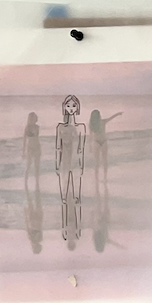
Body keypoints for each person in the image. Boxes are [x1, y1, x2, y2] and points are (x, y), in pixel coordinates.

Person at [55, 94, 86, 248]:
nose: (71, 108)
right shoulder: (60, 127)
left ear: (77, 108)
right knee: (64, 199)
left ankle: (78, 230)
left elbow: (81, 149)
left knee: (77, 198)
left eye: (73, 106)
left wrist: (82, 166)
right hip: (64, 165)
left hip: (75, 165)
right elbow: (58, 148)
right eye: (68, 106)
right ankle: (64, 230)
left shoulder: (81, 127)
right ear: (65, 108)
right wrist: (57, 164)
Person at [22, 112, 41, 191]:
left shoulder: (37, 127)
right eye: (32, 118)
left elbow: (37, 138)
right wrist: (23, 152)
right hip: (30, 148)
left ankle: (37, 182)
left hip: (37, 147)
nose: (33, 120)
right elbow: (24, 140)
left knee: (37, 165)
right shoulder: (27, 128)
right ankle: (25, 181)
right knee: (28, 165)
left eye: (34, 118)